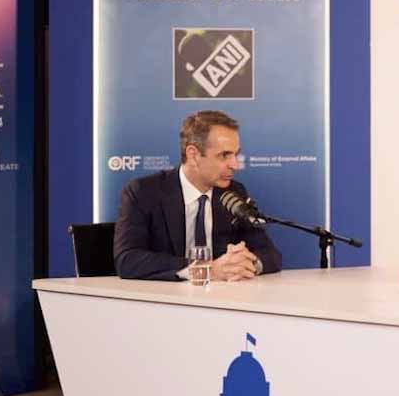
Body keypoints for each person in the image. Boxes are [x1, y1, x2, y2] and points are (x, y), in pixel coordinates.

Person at [114, 110, 282, 281]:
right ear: (193, 155)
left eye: (236, 154)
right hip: (164, 295)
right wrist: (206, 269)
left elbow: (270, 254)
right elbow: (127, 259)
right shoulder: (143, 192)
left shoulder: (233, 193)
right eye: (224, 155)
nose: (235, 165)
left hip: (221, 295)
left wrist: (246, 264)